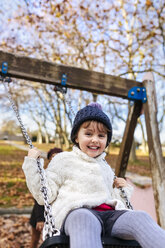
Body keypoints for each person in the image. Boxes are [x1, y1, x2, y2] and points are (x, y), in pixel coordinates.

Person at [23, 103, 165, 248]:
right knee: (85, 219)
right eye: (88, 134)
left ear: (106, 140)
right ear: (76, 137)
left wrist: (121, 190)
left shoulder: (105, 167)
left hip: (110, 216)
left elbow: (112, 199)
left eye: (101, 135)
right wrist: (32, 165)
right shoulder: (63, 160)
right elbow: (44, 195)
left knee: (140, 217)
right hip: (76, 213)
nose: (95, 139)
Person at [29, 147, 63, 248]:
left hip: (54, 215)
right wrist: (40, 219)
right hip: (39, 213)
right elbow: (39, 199)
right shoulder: (45, 174)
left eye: (58, 157)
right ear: (49, 159)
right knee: (35, 240)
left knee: (51, 241)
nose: (55, 159)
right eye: (53, 157)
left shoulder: (65, 174)